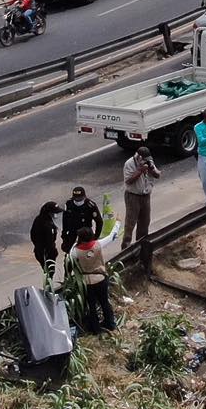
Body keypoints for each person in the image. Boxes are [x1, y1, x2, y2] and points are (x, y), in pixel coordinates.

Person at [122, 138, 161, 269]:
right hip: (133, 196)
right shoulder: (129, 164)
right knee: (130, 223)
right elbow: (128, 181)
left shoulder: (149, 161)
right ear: (138, 157)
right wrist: (139, 171)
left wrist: (151, 169)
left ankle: (141, 249)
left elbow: (157, 175)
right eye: (143, 159)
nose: (146, 161)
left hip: (146, 196)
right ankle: (125, 251)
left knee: (144, 223)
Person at [73, 236, 115, 332]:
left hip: (87, 282)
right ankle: (110, 324)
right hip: (100, 278)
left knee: (91, 306)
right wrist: (117, 223)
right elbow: (111, 236)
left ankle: (95, 329)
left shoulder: (76, 251)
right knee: (104, 302)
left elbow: (70, 257)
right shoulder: (98, 244)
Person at [60, 185, 101, 253]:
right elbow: (65, 220)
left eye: (80, 199)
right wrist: (64, 234)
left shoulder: (90, 205)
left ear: (84, 197)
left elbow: (99, 221)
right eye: (76, 199)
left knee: (88, 251)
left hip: (85, 231)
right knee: (68, 250)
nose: (78, 200)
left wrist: (95, 237)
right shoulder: (69, 204)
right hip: (72, 230)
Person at [30, 201, 60, 276]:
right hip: (46, 253)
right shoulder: (48, 226)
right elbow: (50, 243)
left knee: (46, 271)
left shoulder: (38, 219)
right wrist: (53, 252)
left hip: (39, 251)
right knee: (50, 272)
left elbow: (32, 235)